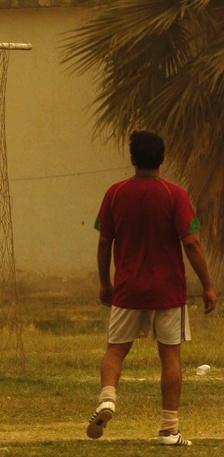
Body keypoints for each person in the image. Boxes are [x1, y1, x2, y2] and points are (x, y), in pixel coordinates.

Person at [88, 131, 217, 445]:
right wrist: (208, 286)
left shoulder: (115, 193)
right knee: (170, 356)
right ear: (162, 158)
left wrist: (106, 282)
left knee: (116, 350)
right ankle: (169, 429)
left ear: (132, 159)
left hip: (128, 289)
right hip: (168, 291)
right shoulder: (175, 194)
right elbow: (192, 242)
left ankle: (107, 398)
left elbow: (104, 241)